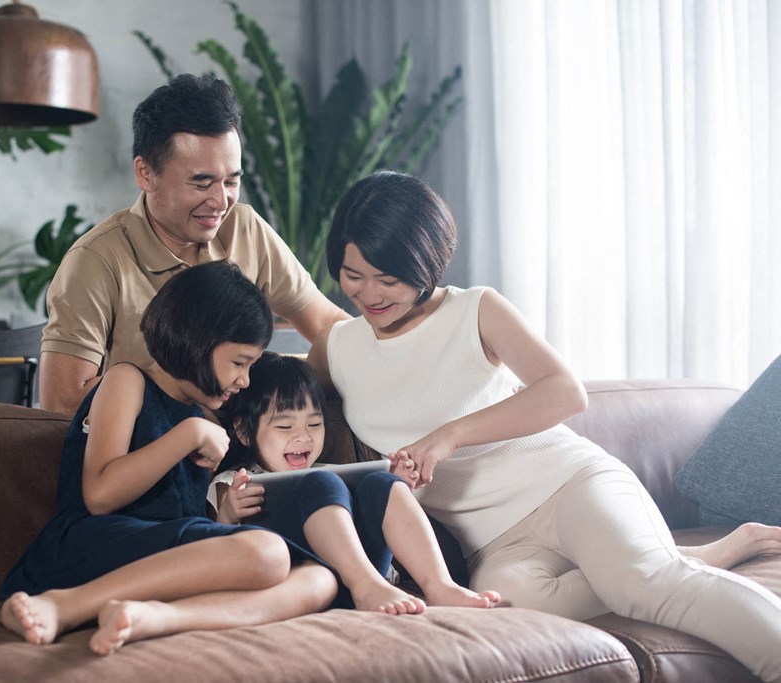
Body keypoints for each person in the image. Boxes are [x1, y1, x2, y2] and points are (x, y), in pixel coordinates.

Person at [307, 170, 781, 682]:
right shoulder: (337, 348)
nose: (369, 294)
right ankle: (695, 555)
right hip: (492, 545)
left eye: (389, 279)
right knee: (507, 609)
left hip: (567, 484)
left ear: (427, 264)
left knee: (645, 582)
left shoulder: (476, 310)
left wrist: (448, 436)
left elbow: (564, 391)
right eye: (353, 275)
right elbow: (274, 410)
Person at [0, 261, 337, 655]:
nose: (245, 380)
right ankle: (65, 604)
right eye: (240, 362)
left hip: (160, 558)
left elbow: (181, 524)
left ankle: (153, 618)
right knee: (269, 552)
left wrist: (223, 519)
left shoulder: (201, 417)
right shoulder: (128, 382)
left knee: (319, 580)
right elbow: (99, 495)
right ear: (196, 343)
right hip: (96, 543)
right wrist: (188, 436)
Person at [40, 73, 349, 415]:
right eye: (201, 184)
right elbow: (63, 400)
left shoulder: (244, 228)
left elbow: (327, 326)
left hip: (244, 453)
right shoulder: (96, 259)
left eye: (232, 181)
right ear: (145, 173)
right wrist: (188, 404)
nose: (221, 201)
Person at [208, 351, 500, 613]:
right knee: (321, 484)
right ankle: (365, 586)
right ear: (244, 432)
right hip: (302, 579)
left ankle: (439, 585)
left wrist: (397, 486)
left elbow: (370, 512)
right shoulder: (234, 481)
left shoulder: (332, 473)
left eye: (314, 424)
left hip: (373, 577)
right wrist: (228, 513)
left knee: (380, 483)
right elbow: (215, 547)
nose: (303, 437)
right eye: (285, 426)